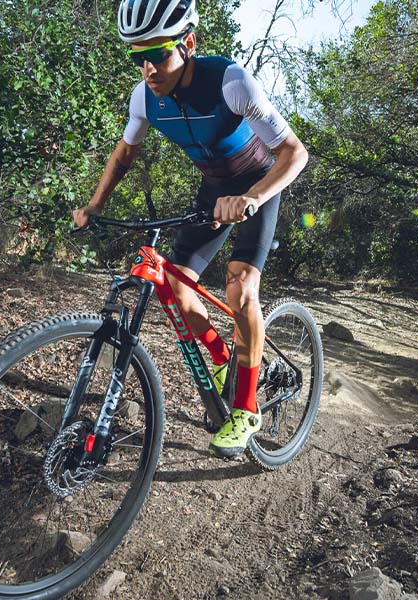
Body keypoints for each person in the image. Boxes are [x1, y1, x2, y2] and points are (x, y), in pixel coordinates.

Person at [73, 0, 309, 458]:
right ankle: (224, 359)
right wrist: (95, 204)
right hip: (213, 191)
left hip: (257, 185)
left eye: (158, 55)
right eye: (138, 58)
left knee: (240, 288)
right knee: (177, 290)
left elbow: (294, 153)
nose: (149, 69)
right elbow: (125, 154)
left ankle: (247, 409)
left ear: (189, 44)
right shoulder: (144, 98)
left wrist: (252, 197)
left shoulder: (230, 82)